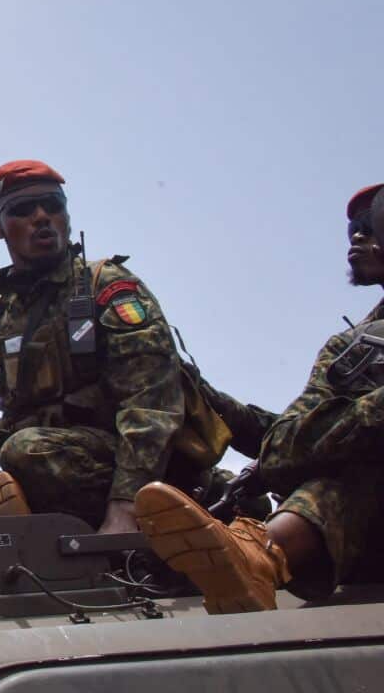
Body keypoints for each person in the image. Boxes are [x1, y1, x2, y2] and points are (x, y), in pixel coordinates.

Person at [135, 183, 384, 613]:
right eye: (353, 230)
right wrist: (203, 395)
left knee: (359, 459)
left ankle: (262, 557)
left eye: (373, 225)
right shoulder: (353, 348)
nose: (358, 238)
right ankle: (255, 557)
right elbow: (287, 442)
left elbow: (310, 439)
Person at [0, 160, 231, 535]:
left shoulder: (104, 286)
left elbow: (152, 403)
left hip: (132, 462)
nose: (42, 217)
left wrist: (125, 508)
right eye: (23, 210)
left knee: (24, 452)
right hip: (47, 461)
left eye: (52, 205)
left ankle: (191, 502)